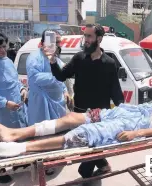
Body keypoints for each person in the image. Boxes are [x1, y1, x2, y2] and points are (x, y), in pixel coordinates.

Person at [0, 100, 152, 158]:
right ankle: (14, 133)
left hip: (135, 124)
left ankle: (14, 149)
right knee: (71, 118)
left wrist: (135, 135)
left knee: (80, 136)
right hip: (127, 111)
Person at [49, 24, 124, 177]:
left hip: (98, 116)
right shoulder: (79, 58)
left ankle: (87, 173)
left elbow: (115, 91)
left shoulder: (109, 63)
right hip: (79, 113)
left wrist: (123, 111)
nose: (86, 40)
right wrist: (52, 61)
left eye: (90, 36)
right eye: (85, 36)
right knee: (88, 145)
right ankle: (104, 165)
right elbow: (62, 76)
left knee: (87, 157)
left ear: (99, 38)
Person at [0, 31, 28, 183]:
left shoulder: (8, 61)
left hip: (16, 110)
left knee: (16, 138)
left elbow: (15, 81)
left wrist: (22, 89)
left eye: (4, 46)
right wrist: (4, 103)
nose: (3, 50)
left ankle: (16, 163)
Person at [26, 30, 71, 125]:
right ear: (43, 43)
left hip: (57, 103)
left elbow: (60, 79)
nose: (58, 45)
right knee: (42, 133)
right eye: (55, 42)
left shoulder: (55, 58)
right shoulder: (34, 58)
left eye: (59, 42)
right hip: (42, 104)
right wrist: (57, 76)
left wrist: (64, 90)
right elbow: (35, 78)